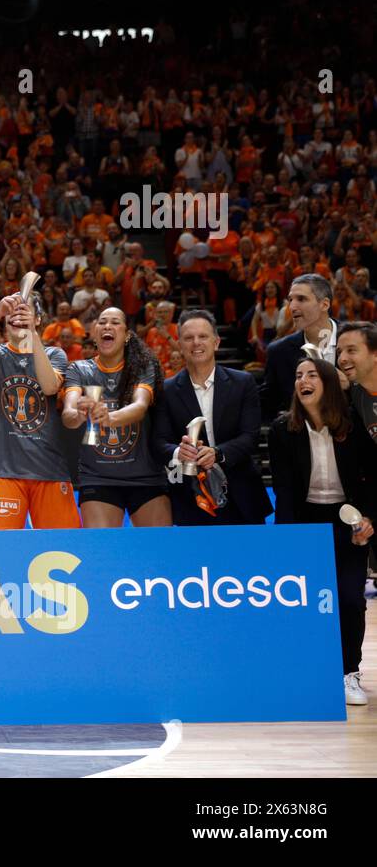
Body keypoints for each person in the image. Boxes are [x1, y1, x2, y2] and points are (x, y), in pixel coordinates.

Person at [268, 358, 374, 707]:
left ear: (328, 383)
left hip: (347, 520)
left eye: (312, 375)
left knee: (349, 598)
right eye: (298, 376)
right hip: (305, 521)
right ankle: (307, 672)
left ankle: (349, 672)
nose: (303, 381)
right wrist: (287, 540)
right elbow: (284, 491)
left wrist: (368, 520)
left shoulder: (351, 424)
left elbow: (373, 477)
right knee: (305, 599)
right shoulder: (283, 429)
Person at [0, 293, 81, 530]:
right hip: (4, 471)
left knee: (62, 549)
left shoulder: (54, 354)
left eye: (25, 311)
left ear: (38, 319)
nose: (17, 314)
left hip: (50, 470)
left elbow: (50, 386)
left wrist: (32, 334)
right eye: (12, 310)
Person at [153, 310, 272, 525]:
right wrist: (180, 452)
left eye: (203, 336)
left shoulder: (243, 383)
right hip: (190, 499)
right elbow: (159, 442)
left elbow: (250, 436)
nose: (196, 343)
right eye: (188, 338)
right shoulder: (166, 391)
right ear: (180, 345)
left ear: (216, 342)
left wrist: (218, 453)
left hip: (242, 496)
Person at [61, 308, 170, 527]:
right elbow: (68, 415)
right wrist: (80, 414)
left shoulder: (142, 367)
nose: (107, 326)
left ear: (127, 334)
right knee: (102, 554)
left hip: (146, 476)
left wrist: (108, 418)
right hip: (98, 478)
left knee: (160, 555)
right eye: (102, 322)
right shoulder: (79, 369)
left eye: (115, 322)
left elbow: (140, 406)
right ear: (93, 332)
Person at [261, 274, 337, 421]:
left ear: (324, 304)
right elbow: (267, 402)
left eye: (301, 299)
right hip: (302, 438)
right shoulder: (278, 352)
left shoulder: (358, 340)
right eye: (291, 300)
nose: (292, 307)